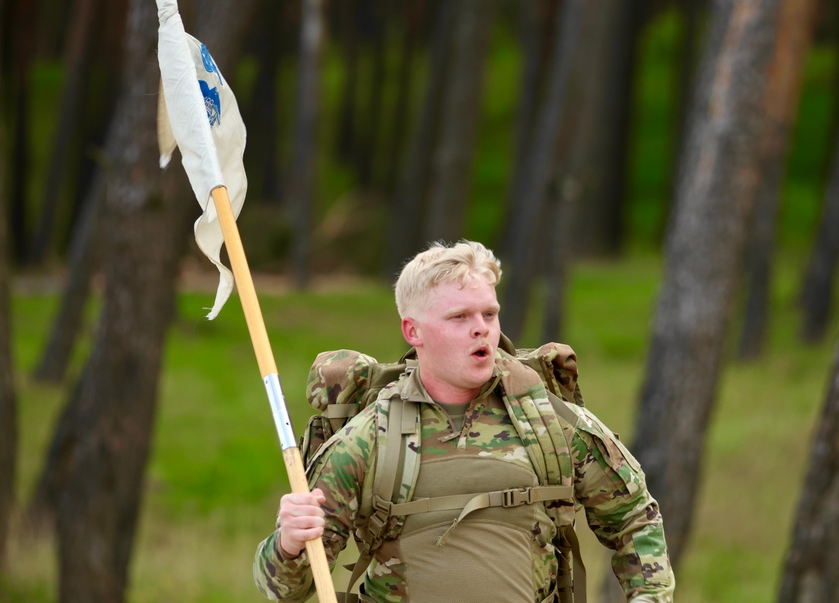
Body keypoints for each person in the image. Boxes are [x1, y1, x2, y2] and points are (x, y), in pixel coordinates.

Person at [253, 240, 675, 602]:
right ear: (413, 331)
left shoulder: (550, 423)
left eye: (489, 315)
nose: (482, 331)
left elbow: (634, 517)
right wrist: (289, 543)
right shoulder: (368, 440)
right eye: (460, 317)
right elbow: (286, 589)